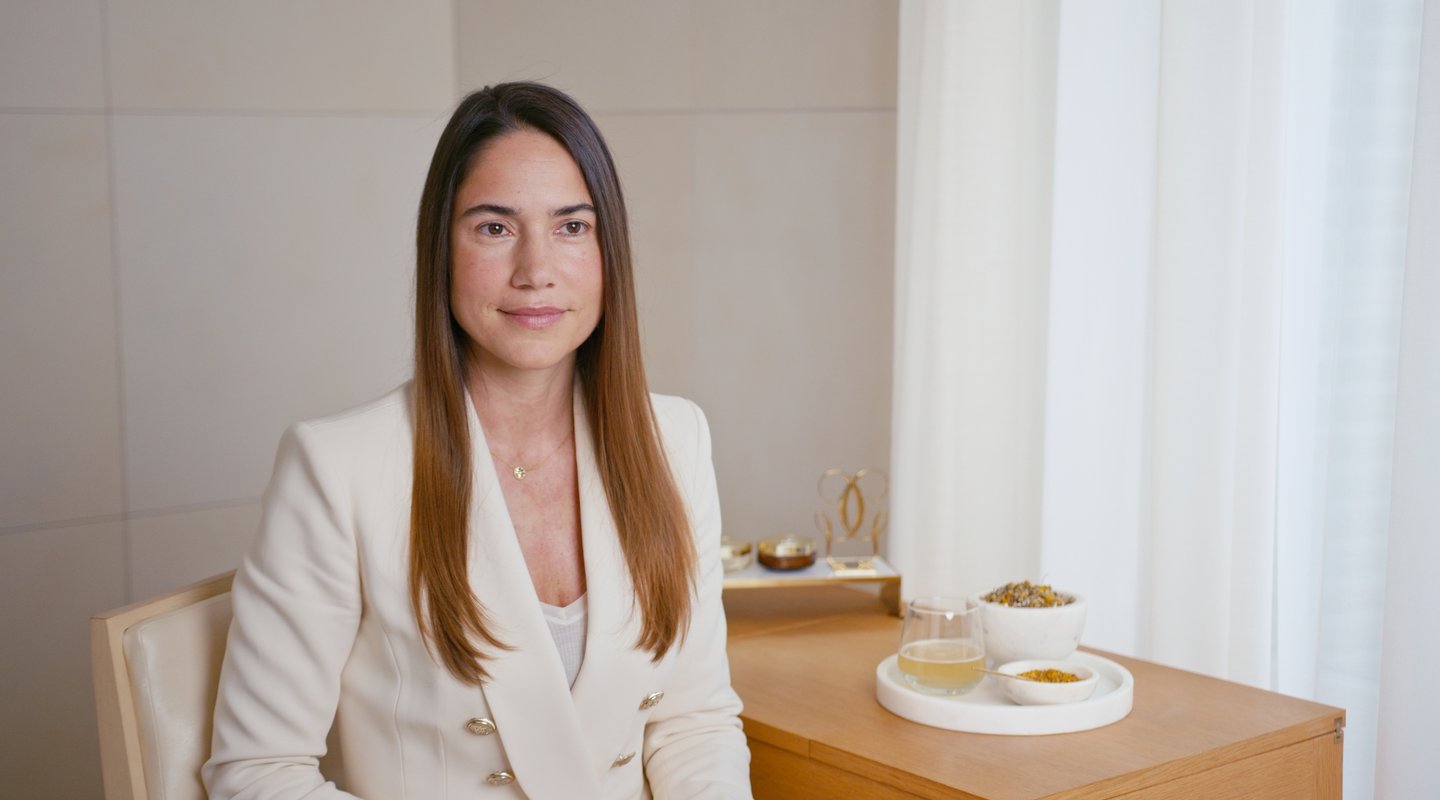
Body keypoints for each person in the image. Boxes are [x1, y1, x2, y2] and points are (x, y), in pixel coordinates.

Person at [203, 82, 753, 799]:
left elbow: (694, 724)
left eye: (572, 226)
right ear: (441, 250)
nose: (536, 271)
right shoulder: (338, 469)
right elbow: (258, 772)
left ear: (609, 251)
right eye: (495, 228)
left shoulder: (675, 439)